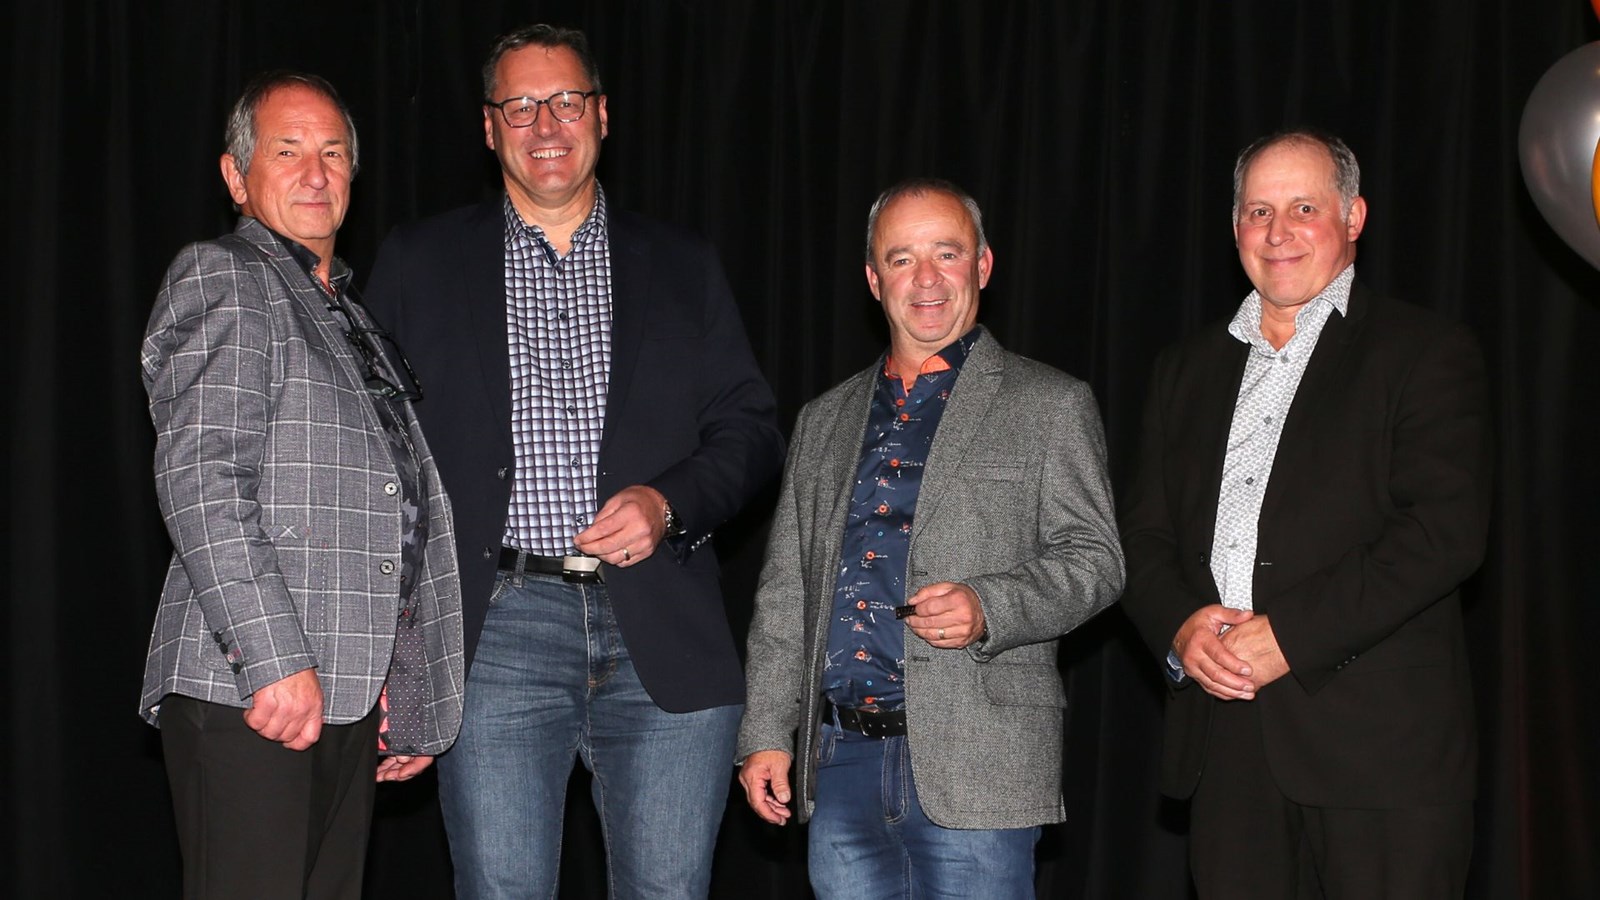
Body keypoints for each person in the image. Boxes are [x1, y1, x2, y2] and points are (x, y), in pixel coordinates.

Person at [362, 24, 784, 899]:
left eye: (565, 101)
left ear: (602, 115)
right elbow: (373, 463)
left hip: (664, 630)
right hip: (494, 633)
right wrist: (393, 659)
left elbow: (749, 430)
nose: (545, 124)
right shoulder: (418, 262)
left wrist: (668, 503)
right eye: (520, 106)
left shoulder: (683, 266)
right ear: (489, 128)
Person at [1119, 130, 1492, 897]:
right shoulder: (1183, 370)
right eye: (1259, 210)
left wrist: (1288, 636)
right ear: (1235, 227)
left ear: (1353, 217)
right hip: (1226, 742)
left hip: (1381, 752)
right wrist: (1181, 627)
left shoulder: (1425, 351)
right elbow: (1142, 536)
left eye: (1303, 208)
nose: (1277, 231)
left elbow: (1443, 533)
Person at [737, 179, 1125, 898]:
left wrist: (989, 605)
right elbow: (786, 591)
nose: (926, 278)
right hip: (840, 761)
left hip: (980, 757)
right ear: (873, 278)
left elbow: (1097, 561)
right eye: (902, 258)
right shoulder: (823, 419)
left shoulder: (1050, 403)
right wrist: (765, 731)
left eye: (946, 253)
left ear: (983, 265)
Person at [139, 71, 464, 900]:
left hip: (339, 696)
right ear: (236, 175)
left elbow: (388, 504)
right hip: (254, 690)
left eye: (333, 153)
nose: (316, 173)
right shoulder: (227, 276)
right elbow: (202, 477)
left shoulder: (345, 311)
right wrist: (274, 661)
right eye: (288, 152)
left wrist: (402, 679)